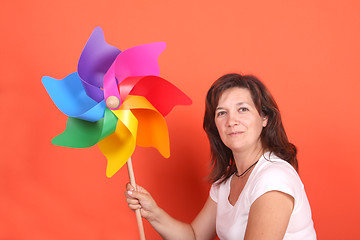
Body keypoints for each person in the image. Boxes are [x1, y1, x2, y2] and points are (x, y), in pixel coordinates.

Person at [125, 73, 316, 239]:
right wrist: (152, 213)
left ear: (264, 118)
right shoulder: (226, 182)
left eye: (243, 109)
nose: (231, 121)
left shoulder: (273, 178)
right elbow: (194, 235)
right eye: (222, 113)